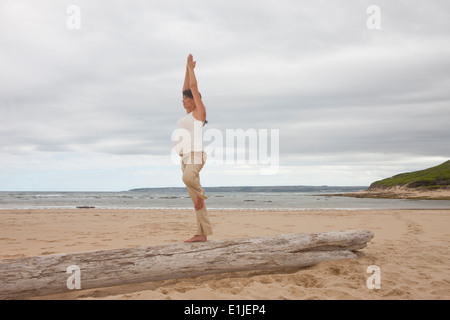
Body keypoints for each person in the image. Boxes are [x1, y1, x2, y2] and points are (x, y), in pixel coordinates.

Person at [176, 54, 212, 243]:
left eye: (185, 98)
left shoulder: (199, 113)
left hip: (196, 155)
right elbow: (186, 88)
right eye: (182, 98)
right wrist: (186, 66)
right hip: (184, 158)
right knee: (195, 201)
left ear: (194, 100)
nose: (182, 100)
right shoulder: (187, 115)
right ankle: (201, 234)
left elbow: (193, 88)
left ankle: (201, 195)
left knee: (188, 178)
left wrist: (192, 69)